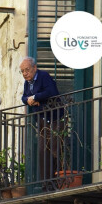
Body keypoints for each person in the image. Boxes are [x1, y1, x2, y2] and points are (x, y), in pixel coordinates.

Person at [20, 56, 62, 188]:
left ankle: (59, 180)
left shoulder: (44, 76)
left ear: (34, 68)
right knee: (43, 151)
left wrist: (35, 97)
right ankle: (46, 183)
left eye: (27, 70)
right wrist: (29, 100)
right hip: (43, 120)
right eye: (22, 71)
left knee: (56, 148)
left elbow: (51, 91)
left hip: (55, 117)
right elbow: (23, 97)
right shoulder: (28, 83)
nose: (25, 73)